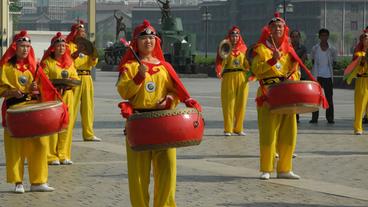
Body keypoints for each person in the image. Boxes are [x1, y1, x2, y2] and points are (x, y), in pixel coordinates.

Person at [116, 20, 201, 207]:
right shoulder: (130, 67)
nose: (148, 42)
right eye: (144, 38)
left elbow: (176, 91)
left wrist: (169, 100)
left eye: (152, 38)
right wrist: (139, 76)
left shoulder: (165, 67)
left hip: (164, 123)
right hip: (140, 122)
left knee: (167, 170)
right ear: (136, 42)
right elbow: (124, 92)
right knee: (139, 174)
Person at [0, 30, 66, 193]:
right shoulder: (6, 67)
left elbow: (44, 88)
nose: (25, 50)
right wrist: (12, 92)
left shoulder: (34, 67)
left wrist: (36, 89)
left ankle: (38, 181)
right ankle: (18, 181)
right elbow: (1, 90)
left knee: (40, 145)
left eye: (28, 46)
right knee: (17, 146)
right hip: (14, 110)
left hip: (34, 112)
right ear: (15, 47)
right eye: (22, 46)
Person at [251, 13, 302, 180]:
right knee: (268, 132)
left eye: (280, 26)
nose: (277, 29)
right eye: (273, 27)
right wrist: (272, 61)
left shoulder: (289, 50)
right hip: (268, 93)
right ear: (269, 30)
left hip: (287, 94)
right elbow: (256, 70)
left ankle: (285, 169)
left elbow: (297, 72)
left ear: (284, 29)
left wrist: (293, 77)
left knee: (289, 132)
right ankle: (266, 168)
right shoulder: (261, 48)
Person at [41, 32, 79, 165]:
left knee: (66, 125)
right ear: (53, 47)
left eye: (64, 46)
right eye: (59, 45)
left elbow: (75, 78)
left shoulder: (70, 63)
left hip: (67, 96)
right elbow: (43, 80)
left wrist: (70, 82)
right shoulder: (47, 63)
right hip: (53, 96)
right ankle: (51, 156)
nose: (61, 48)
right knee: (53, 125)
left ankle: (63, 154)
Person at [66, 20, 101, 141]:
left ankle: (88, 133)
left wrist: (93, 55)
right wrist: (78, 51)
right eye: (80, 32)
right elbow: (67, 62)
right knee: (72, 107)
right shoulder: (68, 46)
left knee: (88, 107)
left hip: (87, 77)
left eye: (84, 32)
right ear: (75, 33)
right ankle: (67, 133)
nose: (83, 34)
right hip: (75, 77)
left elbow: (92, 63)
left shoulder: (87, 46)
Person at [215, 26, 250, 136]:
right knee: (228, 103)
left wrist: (250, 75)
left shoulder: (244, 48)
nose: (234, 37)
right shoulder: (225, 48)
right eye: (232, 35)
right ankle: (228, 129)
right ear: (229, 36)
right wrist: (219, 71)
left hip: (242, 77)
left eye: (236, 35)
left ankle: (239, 128)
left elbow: (249, 64)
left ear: (239, 36)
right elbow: (219, 62)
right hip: (228, 77)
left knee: (241, 104)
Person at [310, 28, 337, 124]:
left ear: (328, 37)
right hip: (317, 76)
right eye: (322, 36)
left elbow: (334, 61)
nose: (324, 37)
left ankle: (330, 118)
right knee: (315, 97)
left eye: (326, 35)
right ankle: (314, 118)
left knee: (329, 97)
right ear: (319, 37)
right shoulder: (315, 48)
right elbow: (312, 61)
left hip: (328, 76)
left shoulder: (332, 49)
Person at [344, 30, 368, 135]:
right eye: (365, 38)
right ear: (362, 40)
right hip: (362, 80)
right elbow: (356, 67)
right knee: (360, 105)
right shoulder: (359, 53)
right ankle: (358, 127)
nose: (367, 39)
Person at [290, 30, 308, 123]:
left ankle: (296, 116)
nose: (295, 38)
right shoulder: (287, 47)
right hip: (288, 74)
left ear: (299, 37)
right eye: (293, 36)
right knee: (290, 96)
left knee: (297, 96)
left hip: (298, 73)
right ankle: (291, 115)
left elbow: (302, 60)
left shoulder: (303, 48)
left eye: (296, 36)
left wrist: (294, 64)